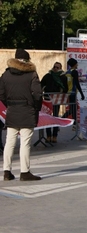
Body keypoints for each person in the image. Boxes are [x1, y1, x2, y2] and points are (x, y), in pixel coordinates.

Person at [0, 49, 43, 181]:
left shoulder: (6, 74)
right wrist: (35, 107)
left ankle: (6, 171)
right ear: (27, 60)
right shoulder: (31, 74)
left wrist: (9, 104)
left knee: (9, 142)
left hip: (12, 110)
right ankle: (25, 172)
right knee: (25, 142)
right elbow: (37, 94)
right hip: (27, 110)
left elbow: (1, 93)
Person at [41, 61, 66, 143]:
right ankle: (48, 136)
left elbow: (65, 87)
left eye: (57, 67)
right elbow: (41, 85)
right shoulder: (48, 76)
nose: (55, 68)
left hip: (56, 99)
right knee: (47, 118)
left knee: (55, 117)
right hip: (47, 98)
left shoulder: (62, 77)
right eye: (54, 67)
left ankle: (55, 136)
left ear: (60, 68)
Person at [62, 58, 85, 128]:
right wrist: (82, 93)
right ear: (74, 64)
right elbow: (77, 83)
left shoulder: (67, 72)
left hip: (68, 93)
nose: (77, 64)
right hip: (73, 92)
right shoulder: (74, 72)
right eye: (77, 63)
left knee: (73, 108)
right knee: (72, 109)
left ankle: (74, 124)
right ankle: (62, 119)